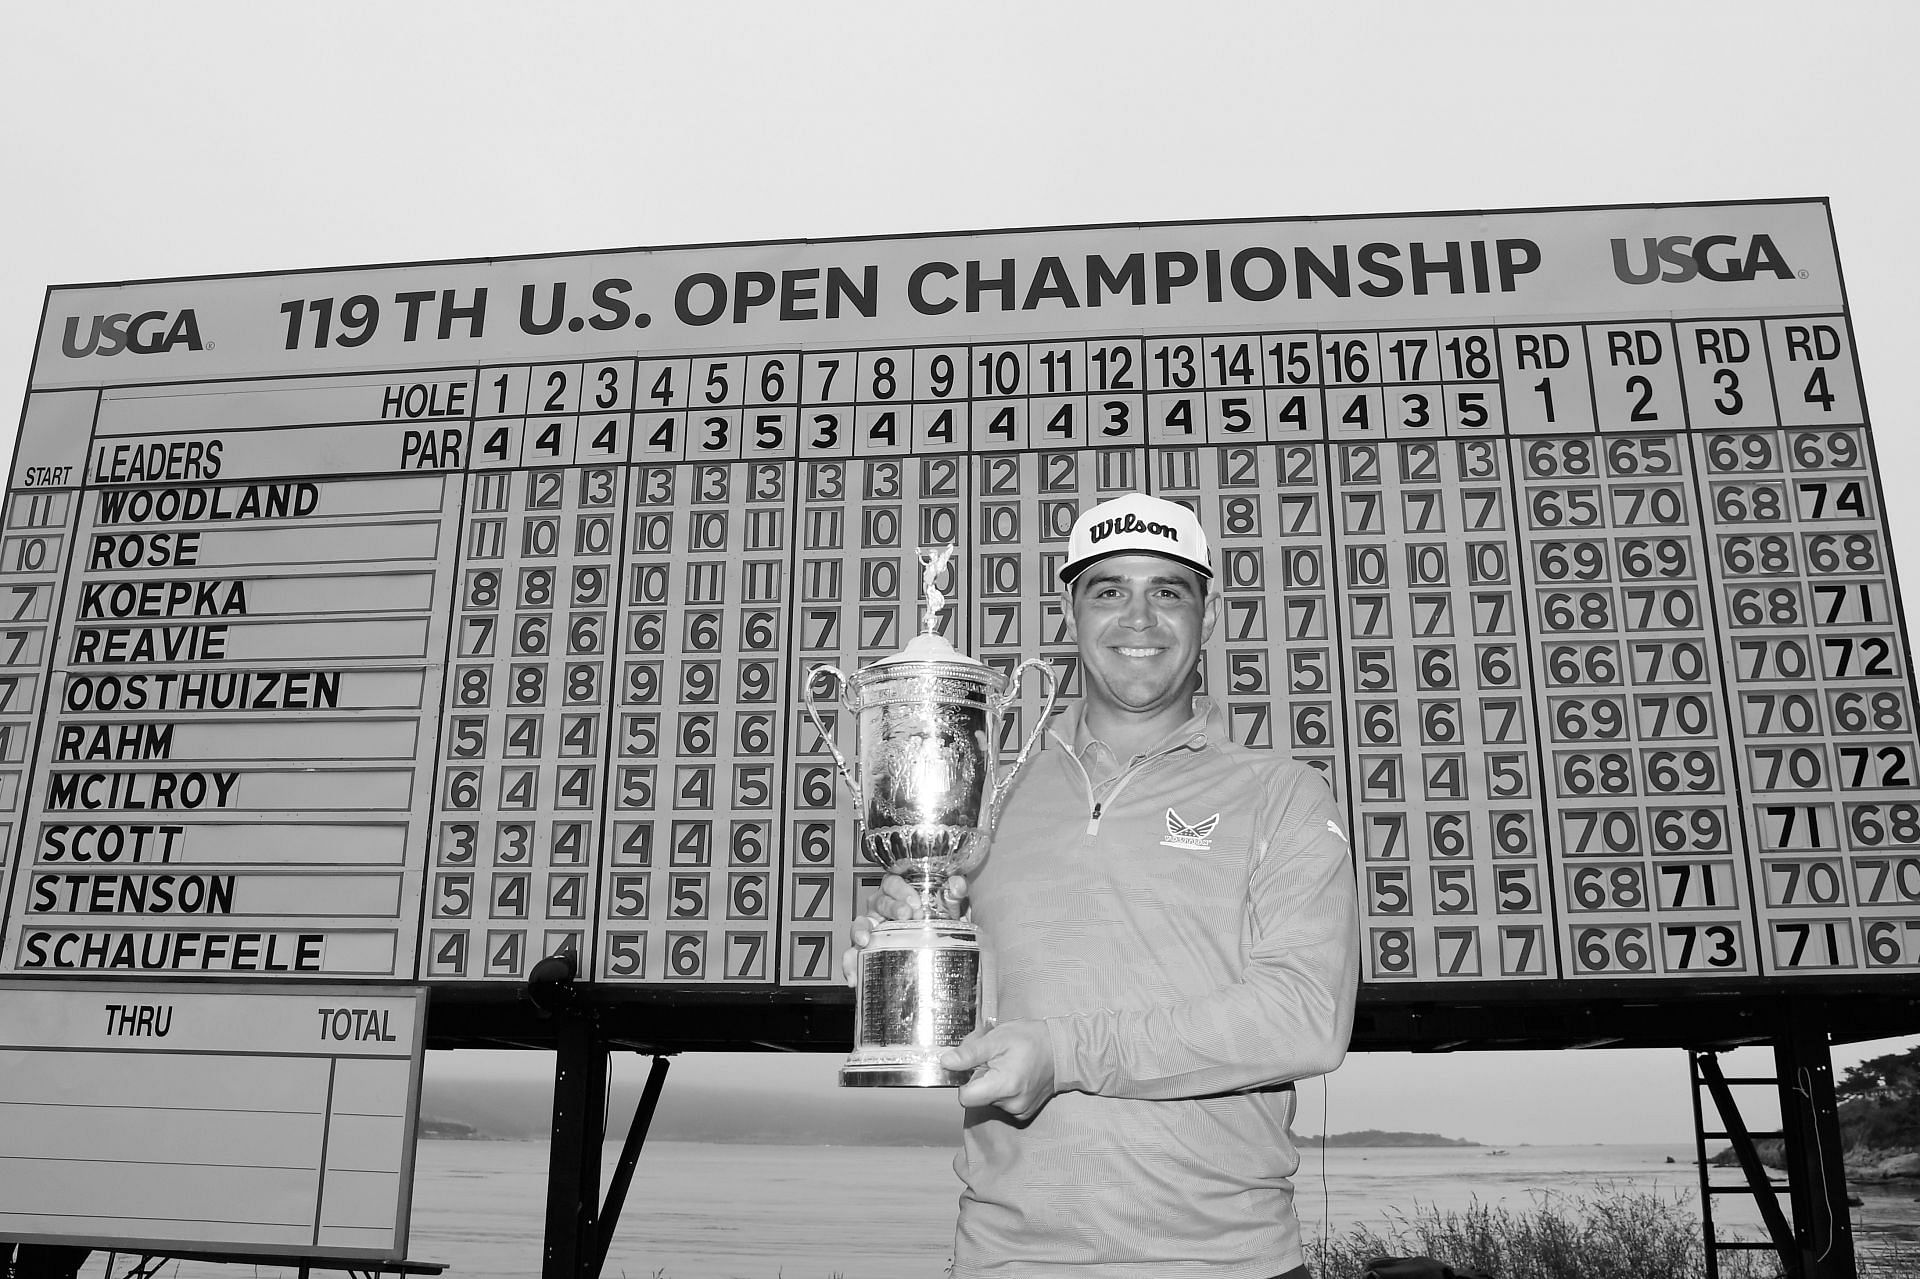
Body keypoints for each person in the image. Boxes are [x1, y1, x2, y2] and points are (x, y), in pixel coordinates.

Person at [849, 491, 1361, 1279]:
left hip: (1229, 1263)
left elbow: (1305, 1017)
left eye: (1168, 590)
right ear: (1072, 611)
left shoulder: (1285, 795)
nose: (1139, 617)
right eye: (1109, 590)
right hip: (1003, 1260)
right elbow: (983, 1033)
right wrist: (910, 960)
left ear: (1208, 613)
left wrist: (1066, 1053)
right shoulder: (986, 795)